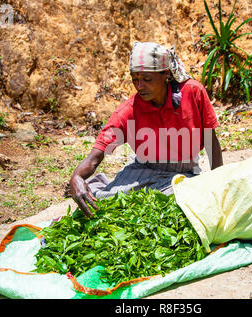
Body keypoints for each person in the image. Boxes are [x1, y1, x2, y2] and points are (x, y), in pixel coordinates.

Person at [69, 42, 223, 217]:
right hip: (142, 171)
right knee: (106, 207)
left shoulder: (193, 92)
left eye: (147, 79)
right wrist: (77, 177)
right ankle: (98, 186)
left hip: (183, 173)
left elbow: (211, 141)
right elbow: (95, 156)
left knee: (180, 204)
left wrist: (217, 182)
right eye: (135, 79)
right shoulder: (129, 110)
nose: (140, 86)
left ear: (166, 75)